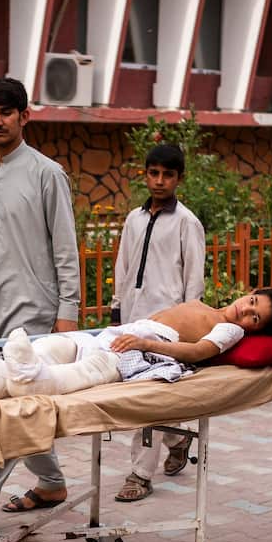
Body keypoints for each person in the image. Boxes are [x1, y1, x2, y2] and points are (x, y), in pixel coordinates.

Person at [0, 77, 82, 534]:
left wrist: (69, 314)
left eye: (6, 112)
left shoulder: (48, 174)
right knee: (20, 408)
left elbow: (66, 250)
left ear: (25, 116)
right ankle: (52, 483)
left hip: (37, 320)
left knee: (10, 412)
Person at [0, 289, 272, 399]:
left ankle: (30, 381)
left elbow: (197, 352)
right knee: (58, 346)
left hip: (135, 350)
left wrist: (147, 346)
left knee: (80, 373)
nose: (246, 310)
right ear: (250, 292)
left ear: (255, 331)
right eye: (253, 301)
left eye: (255, 318)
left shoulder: (229, 331)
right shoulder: (207, 307)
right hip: (118, 336)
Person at [110, 143, 206, 502]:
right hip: (134, 321)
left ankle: (139, 474)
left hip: (168, 326)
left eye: (168, 174)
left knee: (148, 399)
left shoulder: (186, 222)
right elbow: (123, 266)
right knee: (143, 395)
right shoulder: (133, 219)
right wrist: (117, 311)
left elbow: (194, 280)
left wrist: (187, 324)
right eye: (154, 173)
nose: (160, 180)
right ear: (145, 174)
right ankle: (179, 438)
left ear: (179, 178)